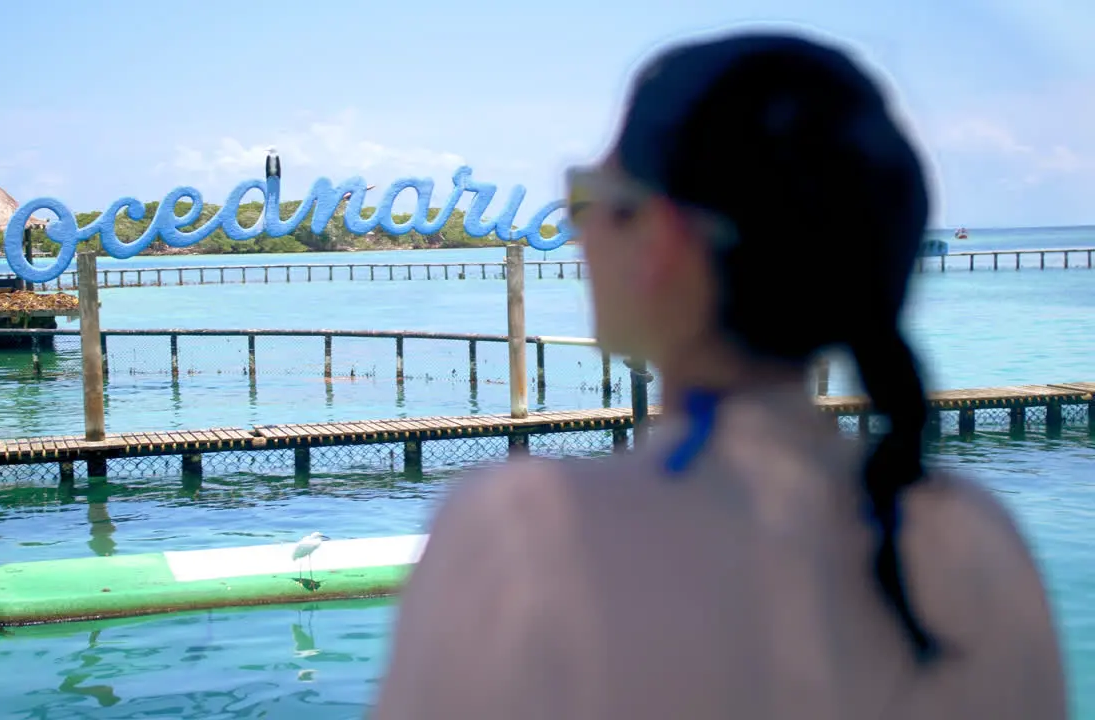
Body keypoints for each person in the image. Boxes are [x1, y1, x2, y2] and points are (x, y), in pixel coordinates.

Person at [373, 30, 1067, 719]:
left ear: (663, 240)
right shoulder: (981, 539)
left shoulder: (519, 534)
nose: (575, 230)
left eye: (587, 197)